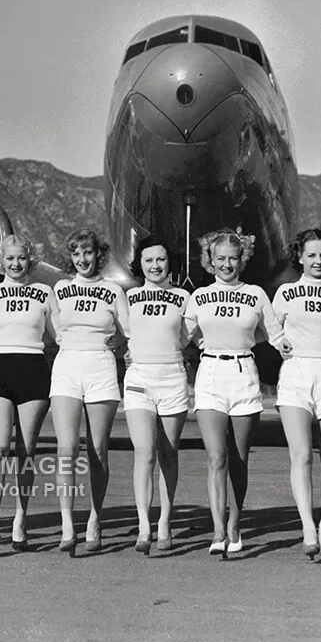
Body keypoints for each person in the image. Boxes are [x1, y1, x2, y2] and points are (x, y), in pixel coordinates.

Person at [184, 229, 290, 556]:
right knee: (216, 457)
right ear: (210, 262)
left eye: (233, 257)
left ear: (242, 259)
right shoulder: (198, 296)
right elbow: (180, 337)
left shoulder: (256, 294)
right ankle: (218, 530)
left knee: (239, 460)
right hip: (211, 375)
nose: (227, 264)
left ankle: (235, 522)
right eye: (220, 259)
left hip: (244, 374)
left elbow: (275, 335)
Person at [273, 227, 321, 559]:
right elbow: (261, 325)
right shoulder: (284, 293)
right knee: (301, 456)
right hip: (295, 374)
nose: (318, 261)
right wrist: (279, 343)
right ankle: (307, 526)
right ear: (300, 258)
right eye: (311, 255)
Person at [49, 228, 129, 555]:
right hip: (68, 365)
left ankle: (96, 517)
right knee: (66, 449)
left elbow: (126, 332)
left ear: (99, 255)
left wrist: (118, 342)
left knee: (97, 450)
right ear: (70, 257)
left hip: (100, 366)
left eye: (88, 253)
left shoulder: (113, 290)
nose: (83, 259)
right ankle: (68, 525)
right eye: (77, 253)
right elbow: (51, 329)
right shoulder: (60, 288)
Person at [0, 235, 55, 555]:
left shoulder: (45, 293)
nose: (15, 264)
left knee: (25, 452)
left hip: (34, 369)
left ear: (30, 259)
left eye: (21, 258)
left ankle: (19, 520)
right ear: (0, 261)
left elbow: (61, 333)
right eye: (9, 258)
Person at [124, 237, 191, 554]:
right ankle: (143, 526)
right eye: (149, 260)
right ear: (141, 264)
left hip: (172, 378)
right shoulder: (130, 297)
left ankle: (165, 522)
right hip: (139, 378)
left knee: (168, 452)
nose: (155, 266)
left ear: (169, 262)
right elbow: (125, 333)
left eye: (161, 259)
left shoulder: (183, 298)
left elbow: (187, 336)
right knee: (144, 452)